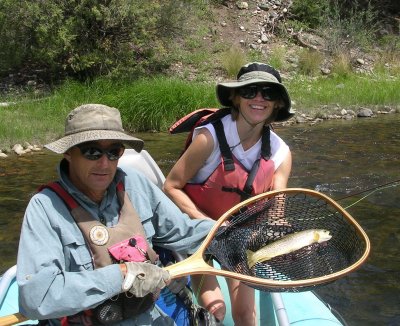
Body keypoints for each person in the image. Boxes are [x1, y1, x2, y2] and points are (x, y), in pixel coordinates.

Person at [16, 104, 215, 326]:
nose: (104, 163)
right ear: (68, 153)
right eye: (91, 151)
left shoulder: (135, 183)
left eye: (114, 152)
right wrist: (123, 274)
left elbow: (185, 233)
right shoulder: (45, 207)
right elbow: (36, 298)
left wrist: (230, 230)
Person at [163, 62, 294, 325]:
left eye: (268, 93)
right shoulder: (208, 138)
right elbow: (171, 185)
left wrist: (275, 229)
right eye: (250, 91)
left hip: (241, 236)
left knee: (246, 314)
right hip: (199, 231)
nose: (259, 99)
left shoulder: (281, 153)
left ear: (277, 104)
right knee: (217, 308)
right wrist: (209, 226)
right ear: (235, 97)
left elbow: (277, 206)